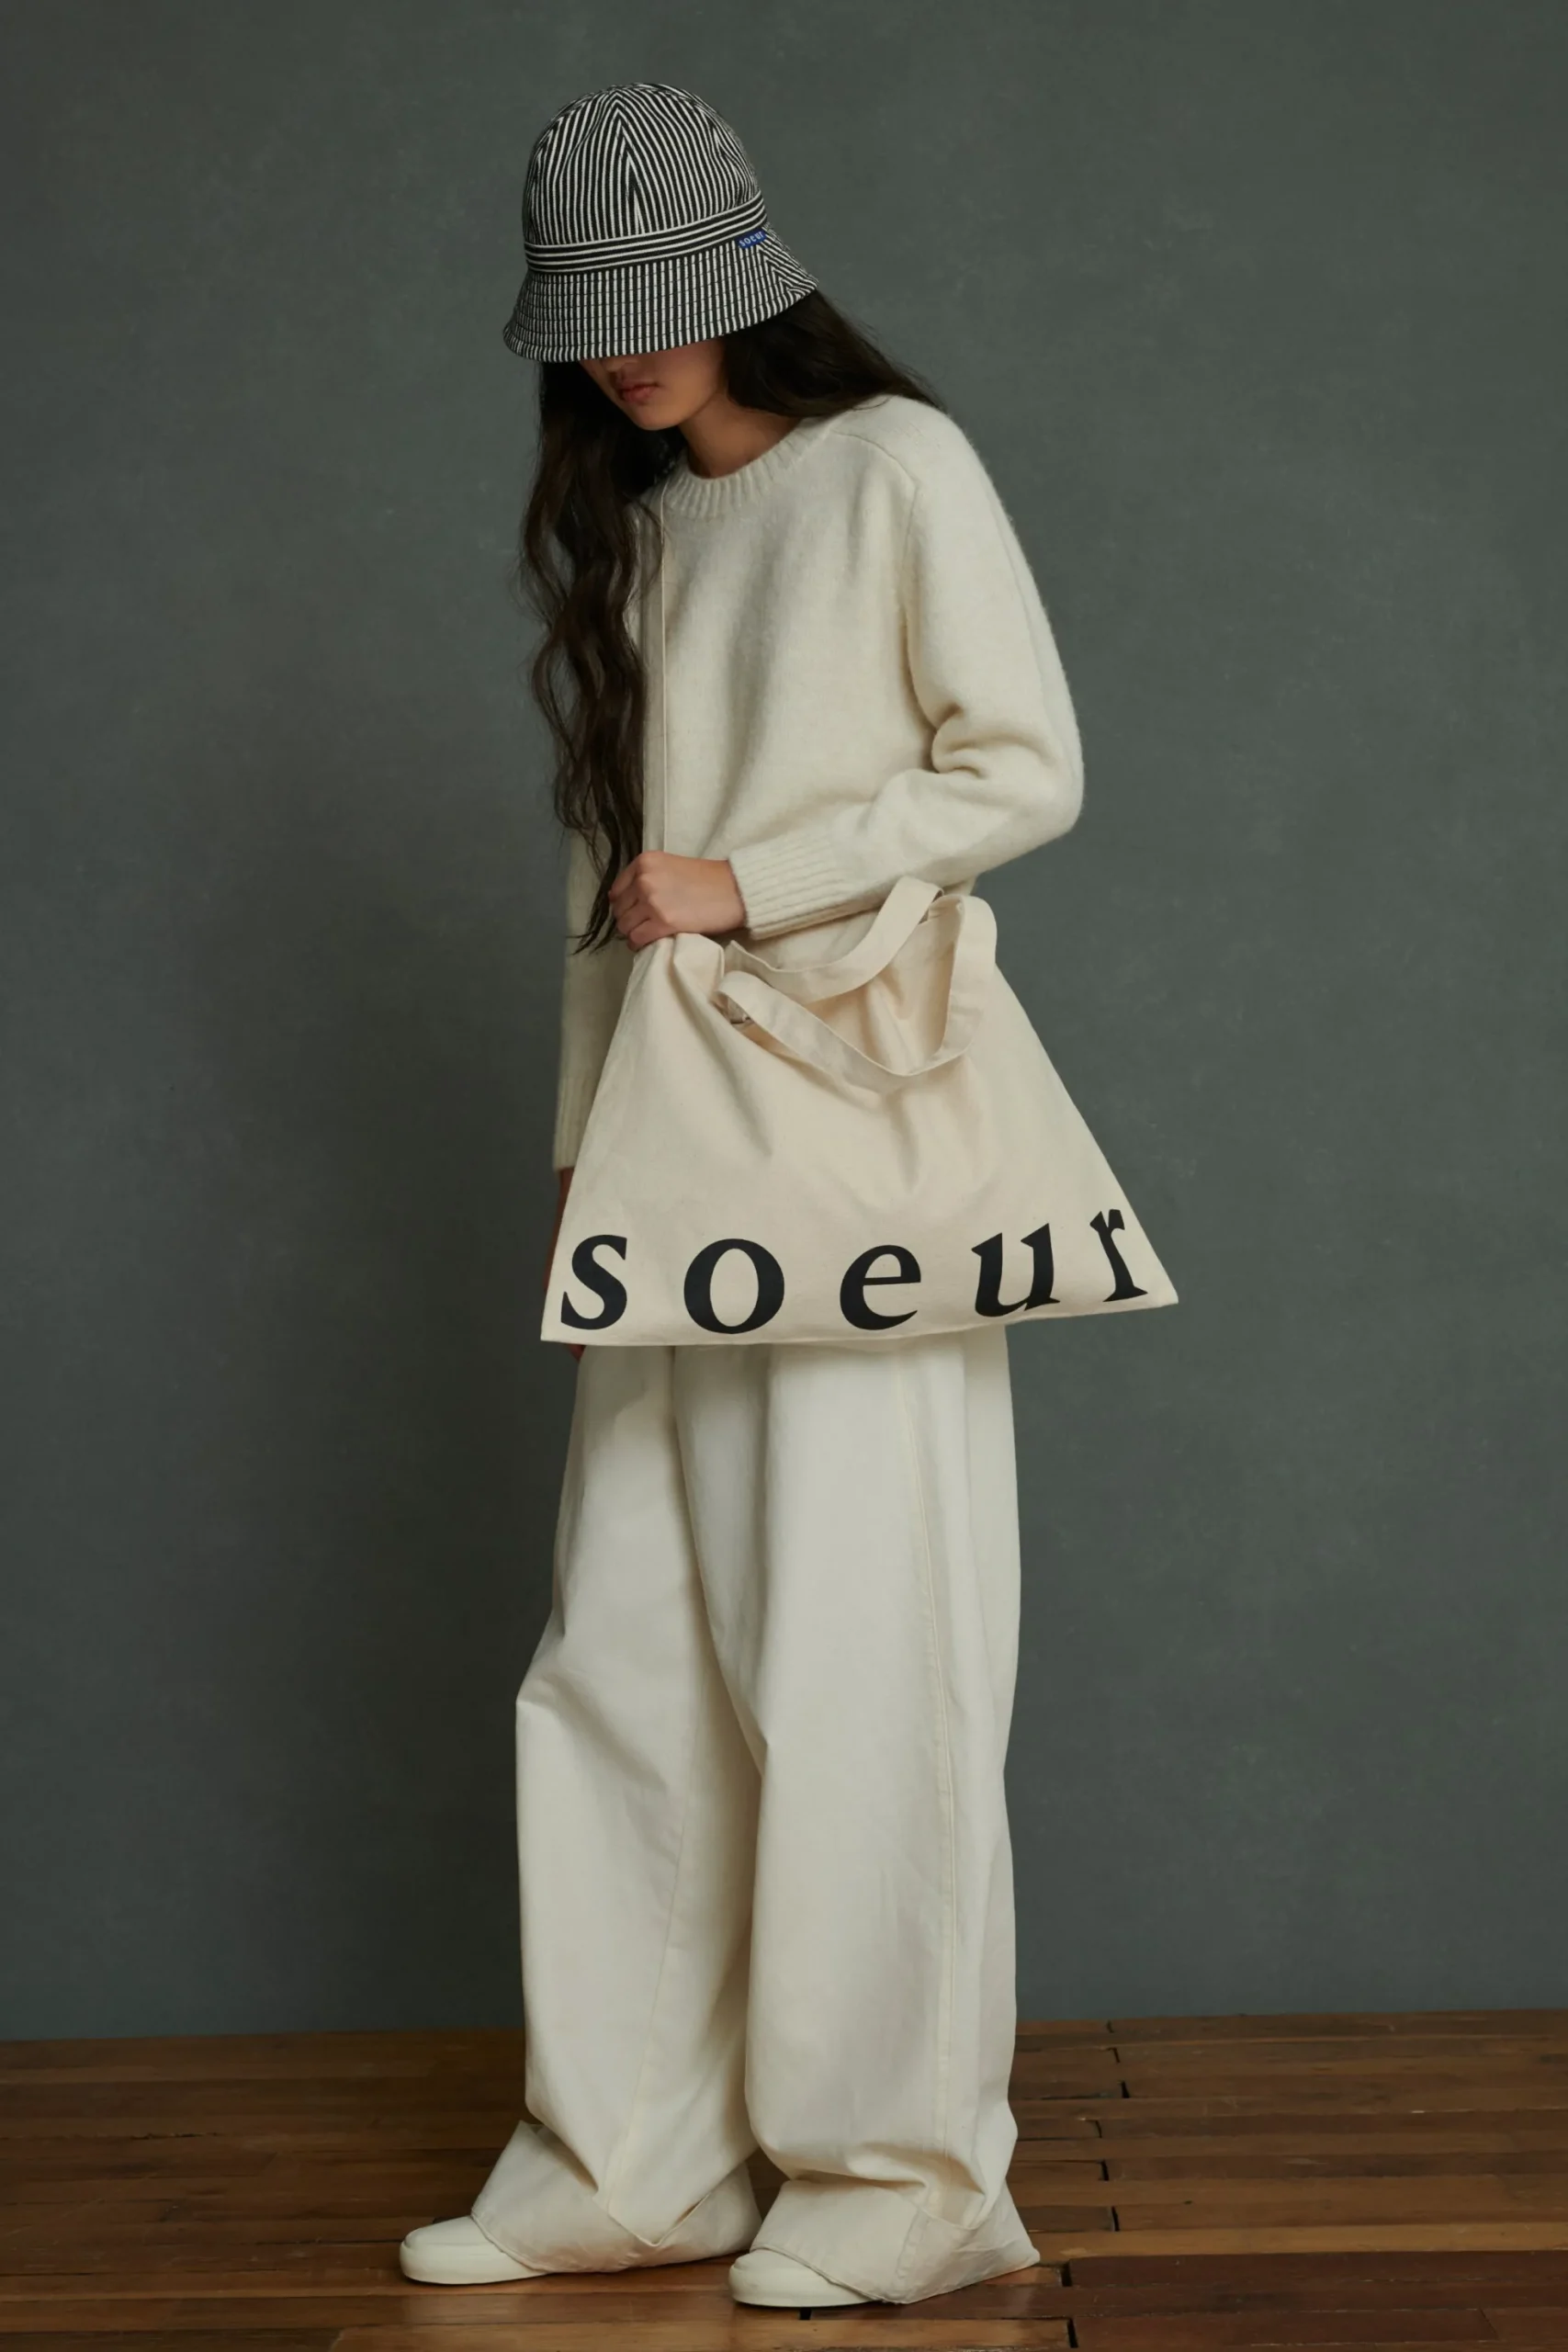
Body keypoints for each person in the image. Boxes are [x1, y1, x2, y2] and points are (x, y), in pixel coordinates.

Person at [399, 80, 1084, 2312]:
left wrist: (755, 878)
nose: (620, 352)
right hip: (669, 1155)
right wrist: (576, 1146)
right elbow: (605, 878)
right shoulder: (637, 528)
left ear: (744, 282)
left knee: (862, 1647)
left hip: (851, 1134)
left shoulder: (896, 469)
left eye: (656, 304)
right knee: (623, 1648)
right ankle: (630, 2154)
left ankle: (901, 2177)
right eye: (587, 317)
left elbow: (1024, 764)